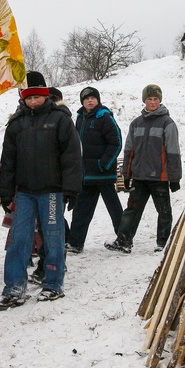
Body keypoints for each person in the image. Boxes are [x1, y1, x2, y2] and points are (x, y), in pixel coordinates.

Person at [0, 71, 82, 307]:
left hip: (52, 191)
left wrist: (71, 189)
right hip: (24, 192)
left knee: (53, 238)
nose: (33, 101)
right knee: (18, 239)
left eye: (37, 97)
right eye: (28, 98)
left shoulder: (60, 119)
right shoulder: (17, 122)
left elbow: (72, 156)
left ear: (46, 95)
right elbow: (8, 160)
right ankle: (14, 287)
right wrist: (5, 191)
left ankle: (53, 283)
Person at [107, 85, 182, 253]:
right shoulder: (136, 123)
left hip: (160, 177)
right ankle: (124, 241)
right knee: (131, 210)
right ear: (144, 101)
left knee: (163, 211)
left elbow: (173, 151)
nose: (153, 102)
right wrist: (126, 173)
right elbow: (129, 150)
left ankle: (162, 243)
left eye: (156, 99)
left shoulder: (167, 124)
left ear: (160, 100)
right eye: (149, 99)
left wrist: (174, 177)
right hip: (140, 177)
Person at [65, 86, 124, 253]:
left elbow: (116, 142)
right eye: (86, 98)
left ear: (98, 100)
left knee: (114, 209)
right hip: (87, 175)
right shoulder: (80, 118)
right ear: (82, 101)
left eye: (93, 98)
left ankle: (124, 239)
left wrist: (103, 164)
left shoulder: (104, 117)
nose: (90, 101)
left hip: (103, 174)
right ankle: (75, 243)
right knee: (81, 210)